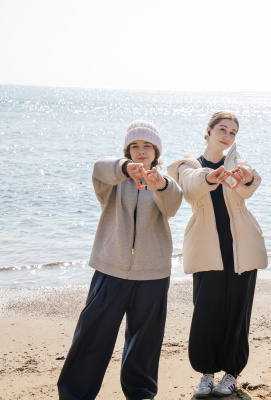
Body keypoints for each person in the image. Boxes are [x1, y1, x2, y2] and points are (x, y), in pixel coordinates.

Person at [57, 120, 183, 400]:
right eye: (134, 146)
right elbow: (99, 167)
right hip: (110, 269)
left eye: (147, 146)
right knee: (92, 335)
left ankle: (141, 394)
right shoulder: (112, 181)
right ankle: (74, 395)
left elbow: (173, 203)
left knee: (145, 342)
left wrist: (160, 185)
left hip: (152, 274)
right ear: (127, 151)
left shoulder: (165, 183)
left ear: (156, 152)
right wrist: (125, 169)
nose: (141, 151)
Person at [167, 111, 267, 398]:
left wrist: (247, 177)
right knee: (206, 311)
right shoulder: (190, 165)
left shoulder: (237, 162)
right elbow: (189, 188)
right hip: (206, 246)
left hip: (241, 247)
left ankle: (231, 374)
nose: (227, 136)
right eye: (222, 129)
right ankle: (206, 373)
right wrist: (210, 176)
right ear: (208, 130)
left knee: (238, 311)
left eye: (233, 132)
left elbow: (247, 188)